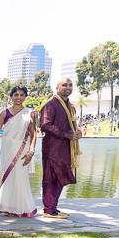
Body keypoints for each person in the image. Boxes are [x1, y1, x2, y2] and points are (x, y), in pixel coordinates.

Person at [0, 85, 37, 217]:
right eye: (16, 95)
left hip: (23, 150)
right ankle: (7, 207)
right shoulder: (5, 113)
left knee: (20, 178)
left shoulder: (30, 113)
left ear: (25, 97)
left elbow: (33, 133)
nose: (19, 97)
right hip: (7, 150)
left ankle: (21, 208)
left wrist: (31, 151)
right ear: (11, 97)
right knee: (8, 177)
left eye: (22, 95)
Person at [40, 78, 82, 219]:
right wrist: (67, 134)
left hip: (65, 147)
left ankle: (53, 208)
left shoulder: (70, 107)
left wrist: (76, 133)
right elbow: (45, 125)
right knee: (51, 177)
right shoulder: (50, 105)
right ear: (57, 88)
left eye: (70, 85)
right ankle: (48, 209)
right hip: (53, 147)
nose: (68, 87)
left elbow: (71, 126)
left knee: (61, 177)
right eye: (64, 85)